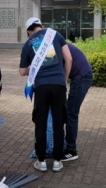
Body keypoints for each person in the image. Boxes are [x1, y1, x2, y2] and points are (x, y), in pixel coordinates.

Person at [19, 17, 72, 173]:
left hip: (41, 87)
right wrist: (64, 78)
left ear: (29, 31)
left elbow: (22, 71)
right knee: (58, 122)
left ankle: (41, 161)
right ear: (42, 26)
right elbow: (68, 58)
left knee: (40, 124)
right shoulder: (55, 34)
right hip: (58, 85)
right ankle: (57, 161)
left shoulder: (28, 43)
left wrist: (33, 67)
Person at [62, 42, 93, 162]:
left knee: (71, 113)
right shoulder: (56, 41)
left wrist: (63, 81)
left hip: (82, 77)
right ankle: (66, 143)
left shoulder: (54, 43)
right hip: (81, 76)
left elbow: (68, 60)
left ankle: (71, 150)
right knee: (68, 111)